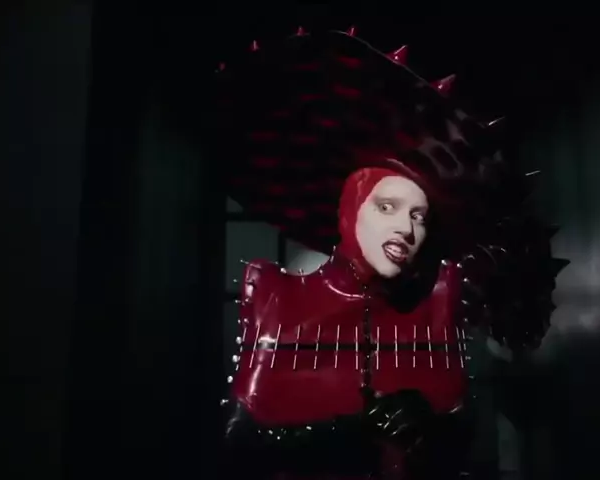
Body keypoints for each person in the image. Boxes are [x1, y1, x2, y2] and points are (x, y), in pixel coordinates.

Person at [218, 26, 567, 480]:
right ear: (351, 209)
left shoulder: (439, 299)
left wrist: (430, 425)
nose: (406, 227)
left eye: (420, 216)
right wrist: (344, 433)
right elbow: (238, 439)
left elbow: (465, 433)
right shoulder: (275, 294)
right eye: (387, 207)